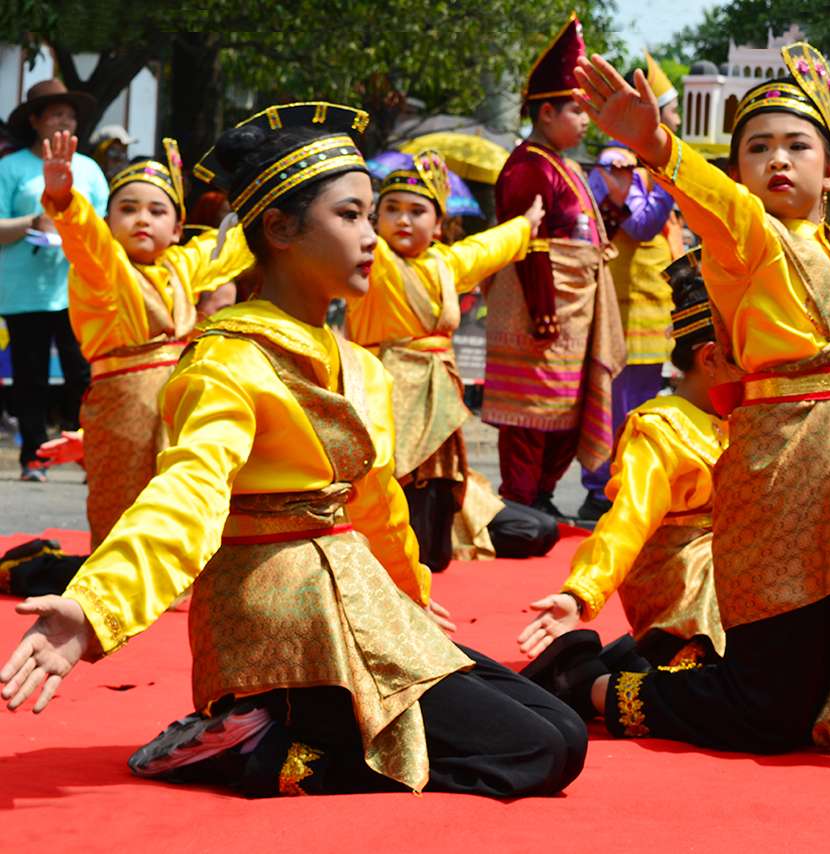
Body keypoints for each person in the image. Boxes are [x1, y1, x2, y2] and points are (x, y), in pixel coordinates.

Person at [0, 102, 586, 799]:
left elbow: (375, 503)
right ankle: (248, 745)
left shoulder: (356, 365)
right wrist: (92, 606)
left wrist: (410, 597)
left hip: (360, 605)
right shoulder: (226, 362)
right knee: (538, 752)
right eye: (350, 215)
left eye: (371, 214)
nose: (373, 236)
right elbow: (187, 492)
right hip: (275, 628)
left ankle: (281, 733)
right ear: (278, 228)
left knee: (563, 729)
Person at [526, 43, 830, 753]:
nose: (778, 159)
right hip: (778, 468)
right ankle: (587, 683)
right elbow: (718, 203)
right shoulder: (747, 243)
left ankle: (627, 667)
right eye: (758, 148)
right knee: (768, 710)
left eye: (798, 145)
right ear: (738, 171)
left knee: (816, 693)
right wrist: (657, 147)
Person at [519, 249, 728, 670]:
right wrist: (582, 592)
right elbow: (626, 520)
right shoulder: (660, 428)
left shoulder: (742, 421)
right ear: (709, 358)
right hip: (687, 582)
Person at [40, 133, 251, 548]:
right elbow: (85, 240)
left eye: (156, 211)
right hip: (123, 404)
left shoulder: (180, 265)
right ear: (108, 222)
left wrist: (268, 199)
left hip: (184, 401)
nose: (142, 219)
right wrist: (64, 199)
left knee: (184, 495)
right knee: (121, 499)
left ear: (176, 229)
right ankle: (113, 591)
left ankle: (177, 577)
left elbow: (227, 247)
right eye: (128, 209)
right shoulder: (106, 268)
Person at [345, 150, 546, 571]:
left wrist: (524, 226)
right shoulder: (374, 262)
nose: (403, 219)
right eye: (391, 209)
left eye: (417, 211)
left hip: (436, 399)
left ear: (437, 225)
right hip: (385, 403)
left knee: (506, 533)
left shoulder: (443, 265)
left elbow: (483, 249)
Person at [482, 13, 626, 518]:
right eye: (576, 110)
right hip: (540, 315)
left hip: (574, 315)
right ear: (545, 114)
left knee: (567, 413)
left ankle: (540, 497)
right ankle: (522, 502)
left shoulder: (561, 163)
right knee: (530, 417)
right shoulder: (526, 166)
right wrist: (543, 311)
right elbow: (530, 243)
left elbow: (584, 234)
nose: (586, 120)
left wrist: (618, 206)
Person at [0, 79, 106, 482]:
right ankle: (33, 455)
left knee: (82, 375)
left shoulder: (90, 170)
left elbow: (103, 229)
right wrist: (32, 221)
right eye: (57, 114)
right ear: (36, 121)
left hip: (77, 288)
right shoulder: (10, 169)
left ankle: (88, 451)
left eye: (71, 115)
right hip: (24, 290)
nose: (66, 121)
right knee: (30, 377)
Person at [579, 134, 683, 520]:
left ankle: (628, 483)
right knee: (612, 401)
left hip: (646, 306)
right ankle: (604, 486)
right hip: (617, 304)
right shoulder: (614, 161)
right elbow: (642, 225)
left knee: (638, 402)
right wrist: (669, 187)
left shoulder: (639, 170)